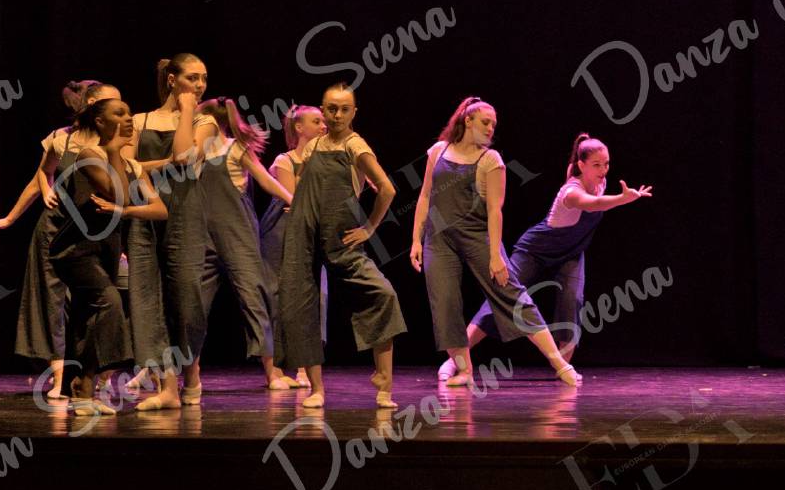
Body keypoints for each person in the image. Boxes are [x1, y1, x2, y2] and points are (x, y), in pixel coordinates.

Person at [438, 132, 650, 373]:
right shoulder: (571, 191)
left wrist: (619, 196)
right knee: (501, 298)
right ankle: (454, 361)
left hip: (571, 252)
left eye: (606, 164)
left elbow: (590, 190)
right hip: (536, 250)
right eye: (596, 165)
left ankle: (564, 368)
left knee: (572, 301)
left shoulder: (599, 183)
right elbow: (592, 204)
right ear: (581, 166)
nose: (603, 170)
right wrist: (622, 199)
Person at [411, 96, 580, 388]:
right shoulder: (439, 151)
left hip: (478, 234)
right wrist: (416, 239)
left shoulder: (490, 159)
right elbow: (425, 196)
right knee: (445, 303)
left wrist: (495, 256)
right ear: (467, 121)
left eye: (493, 124)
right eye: (485, 122)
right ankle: (464, 370)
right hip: (438, 238)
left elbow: (494, 210)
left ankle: (560, 363)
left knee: (511, 296)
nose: (490, 128)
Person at [0, 79, 119, 404]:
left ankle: (97, 373)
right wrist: (11, 218)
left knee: (99, 300)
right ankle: (59, 378)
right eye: (113, 104)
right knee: (52, 303)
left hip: (96, 234)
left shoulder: (116, 143)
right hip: (55, 230)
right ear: (94, 107)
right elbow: (41, 174)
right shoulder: (62, 138)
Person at [277, 84, 406, 410]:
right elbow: (305, 186)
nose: (337, 115)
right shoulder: (313, 146)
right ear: (323, 110)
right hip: (304, 236)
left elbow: (387, 189)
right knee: (301, 307)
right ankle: (316, 389)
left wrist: (369, 228)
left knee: (382, 294)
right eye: (331, 109)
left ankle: (384, 381)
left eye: (344, 109)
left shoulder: (354, 145)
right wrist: (301, 208)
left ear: (353, 112)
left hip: (340, 238)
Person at [47, 96, 165, 410]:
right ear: (100, 122)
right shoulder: (90, 155)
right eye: (119, 113)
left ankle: (83, 391)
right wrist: (113, 151)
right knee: (109, 302)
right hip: (75, 249)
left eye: (129, 113)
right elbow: (119, 194)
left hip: (107, 248)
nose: (128, 118)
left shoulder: (133, 166)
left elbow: (159, 209)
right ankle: (94, 380)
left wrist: (125, 213)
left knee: (88, 318)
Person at [127, 54, 218, 411]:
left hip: (186, 214)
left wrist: (187, 109)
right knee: (149, 297)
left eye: (204, 78)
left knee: (186, 297)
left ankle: (192, 372)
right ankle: (167, 386)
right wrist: (157, 165)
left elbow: (184, 156)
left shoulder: (205, 121)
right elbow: (126, 167)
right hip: (146, 214)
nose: (200, 85)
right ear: (171, 79)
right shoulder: (140, 120)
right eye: (192, 78)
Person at [198, 98, 294, 389]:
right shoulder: (194, 154)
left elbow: (265, 180)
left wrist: (293, 200)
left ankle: (272, 372)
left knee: (254, 298)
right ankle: (190, 373)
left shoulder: (235, 148)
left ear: (210, 122)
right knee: (194, 303)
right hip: (204, 236)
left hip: (238, 234)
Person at [259, 104, 324, 390]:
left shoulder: (326, 159)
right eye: (316, 121)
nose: (324, 126)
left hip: (311, 232)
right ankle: (275, 369)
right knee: (275, 296)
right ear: (299, 127)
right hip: (281, 233)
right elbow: (294, 200)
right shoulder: (285, 160)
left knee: (311, 297)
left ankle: (304, 365)